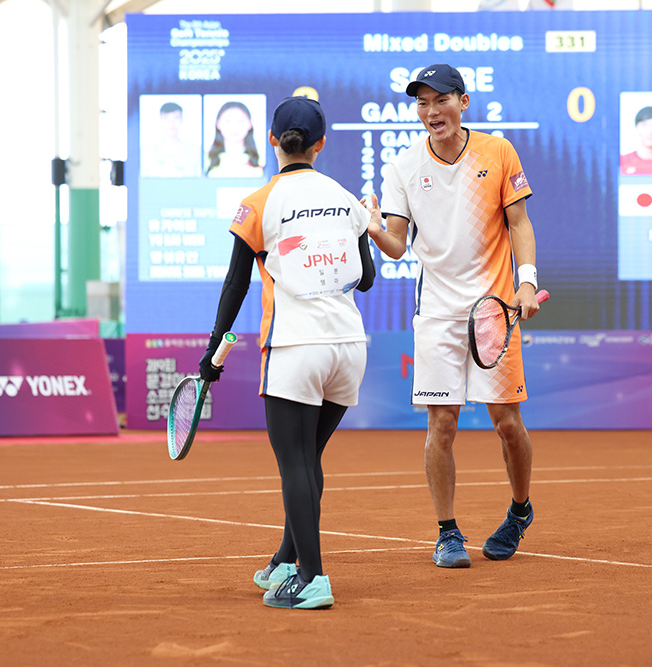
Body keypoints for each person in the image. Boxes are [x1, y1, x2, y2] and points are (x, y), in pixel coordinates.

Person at [198, 96, 376, 609]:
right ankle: (283, 561)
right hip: (349, 349)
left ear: (273, 141)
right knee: (307, 458)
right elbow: (365, 279)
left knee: (295, 463)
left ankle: (313, 578)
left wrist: (214, 349)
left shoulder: (258, 202)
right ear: (321, 144)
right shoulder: (345, 197)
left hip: (297, 346)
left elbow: (236, 284)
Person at [367, 63, 542, 569]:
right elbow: (396, 244)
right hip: (437, 313)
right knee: (441, 424)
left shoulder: (498, 151)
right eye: (422, 103)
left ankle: (520, 510)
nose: (431, 111)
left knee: (507, 423)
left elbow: (519, 223)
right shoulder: (402, 166)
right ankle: (447, 532)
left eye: (440, 100)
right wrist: (374, 228)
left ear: (462, 102)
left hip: (493, 309)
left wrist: (526, 282)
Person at [141, 101, 201, 178]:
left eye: (176, 118)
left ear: (181, 120)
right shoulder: (148, 152)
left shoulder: (194, 151)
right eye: (167, 118)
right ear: (161, 120)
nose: (171, 123)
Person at [206, 101, 264, 178]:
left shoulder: (262, 159)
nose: (234, 127)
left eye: (240, 121)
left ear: (250, 124)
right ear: (218, 124)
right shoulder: (206, 159)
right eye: (228, 121)